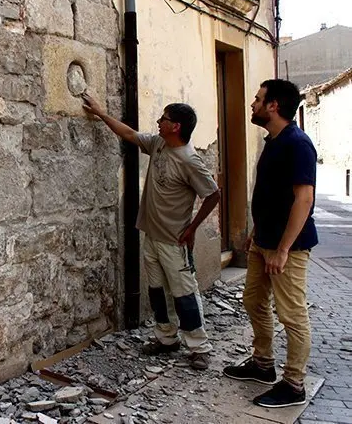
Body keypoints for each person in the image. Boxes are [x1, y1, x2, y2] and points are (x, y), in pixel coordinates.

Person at [82, 94, 220, 370]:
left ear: (176, 126)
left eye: (164, 119)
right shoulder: (158, 144)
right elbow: (129, 134)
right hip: (152, 236)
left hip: (174, 240)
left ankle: (199, 347)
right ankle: (166, 338)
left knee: (184, 294)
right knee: (157, 291)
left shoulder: (190, 161)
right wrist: (100, 113)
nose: (159, 122)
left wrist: (192, 228)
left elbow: (214, 194)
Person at [223, 79, 317, 408]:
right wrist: (256, 232)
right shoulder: (274, 141)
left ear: (273, 106)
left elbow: (303, 200)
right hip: (262, 241)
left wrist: (282, 249)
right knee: (253, 301)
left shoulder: (297, 143)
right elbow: (271, 196)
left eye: (258, 99)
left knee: (292, 315)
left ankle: (294, 384)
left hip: (286, 248)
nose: (253, 104)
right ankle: (262, 365)